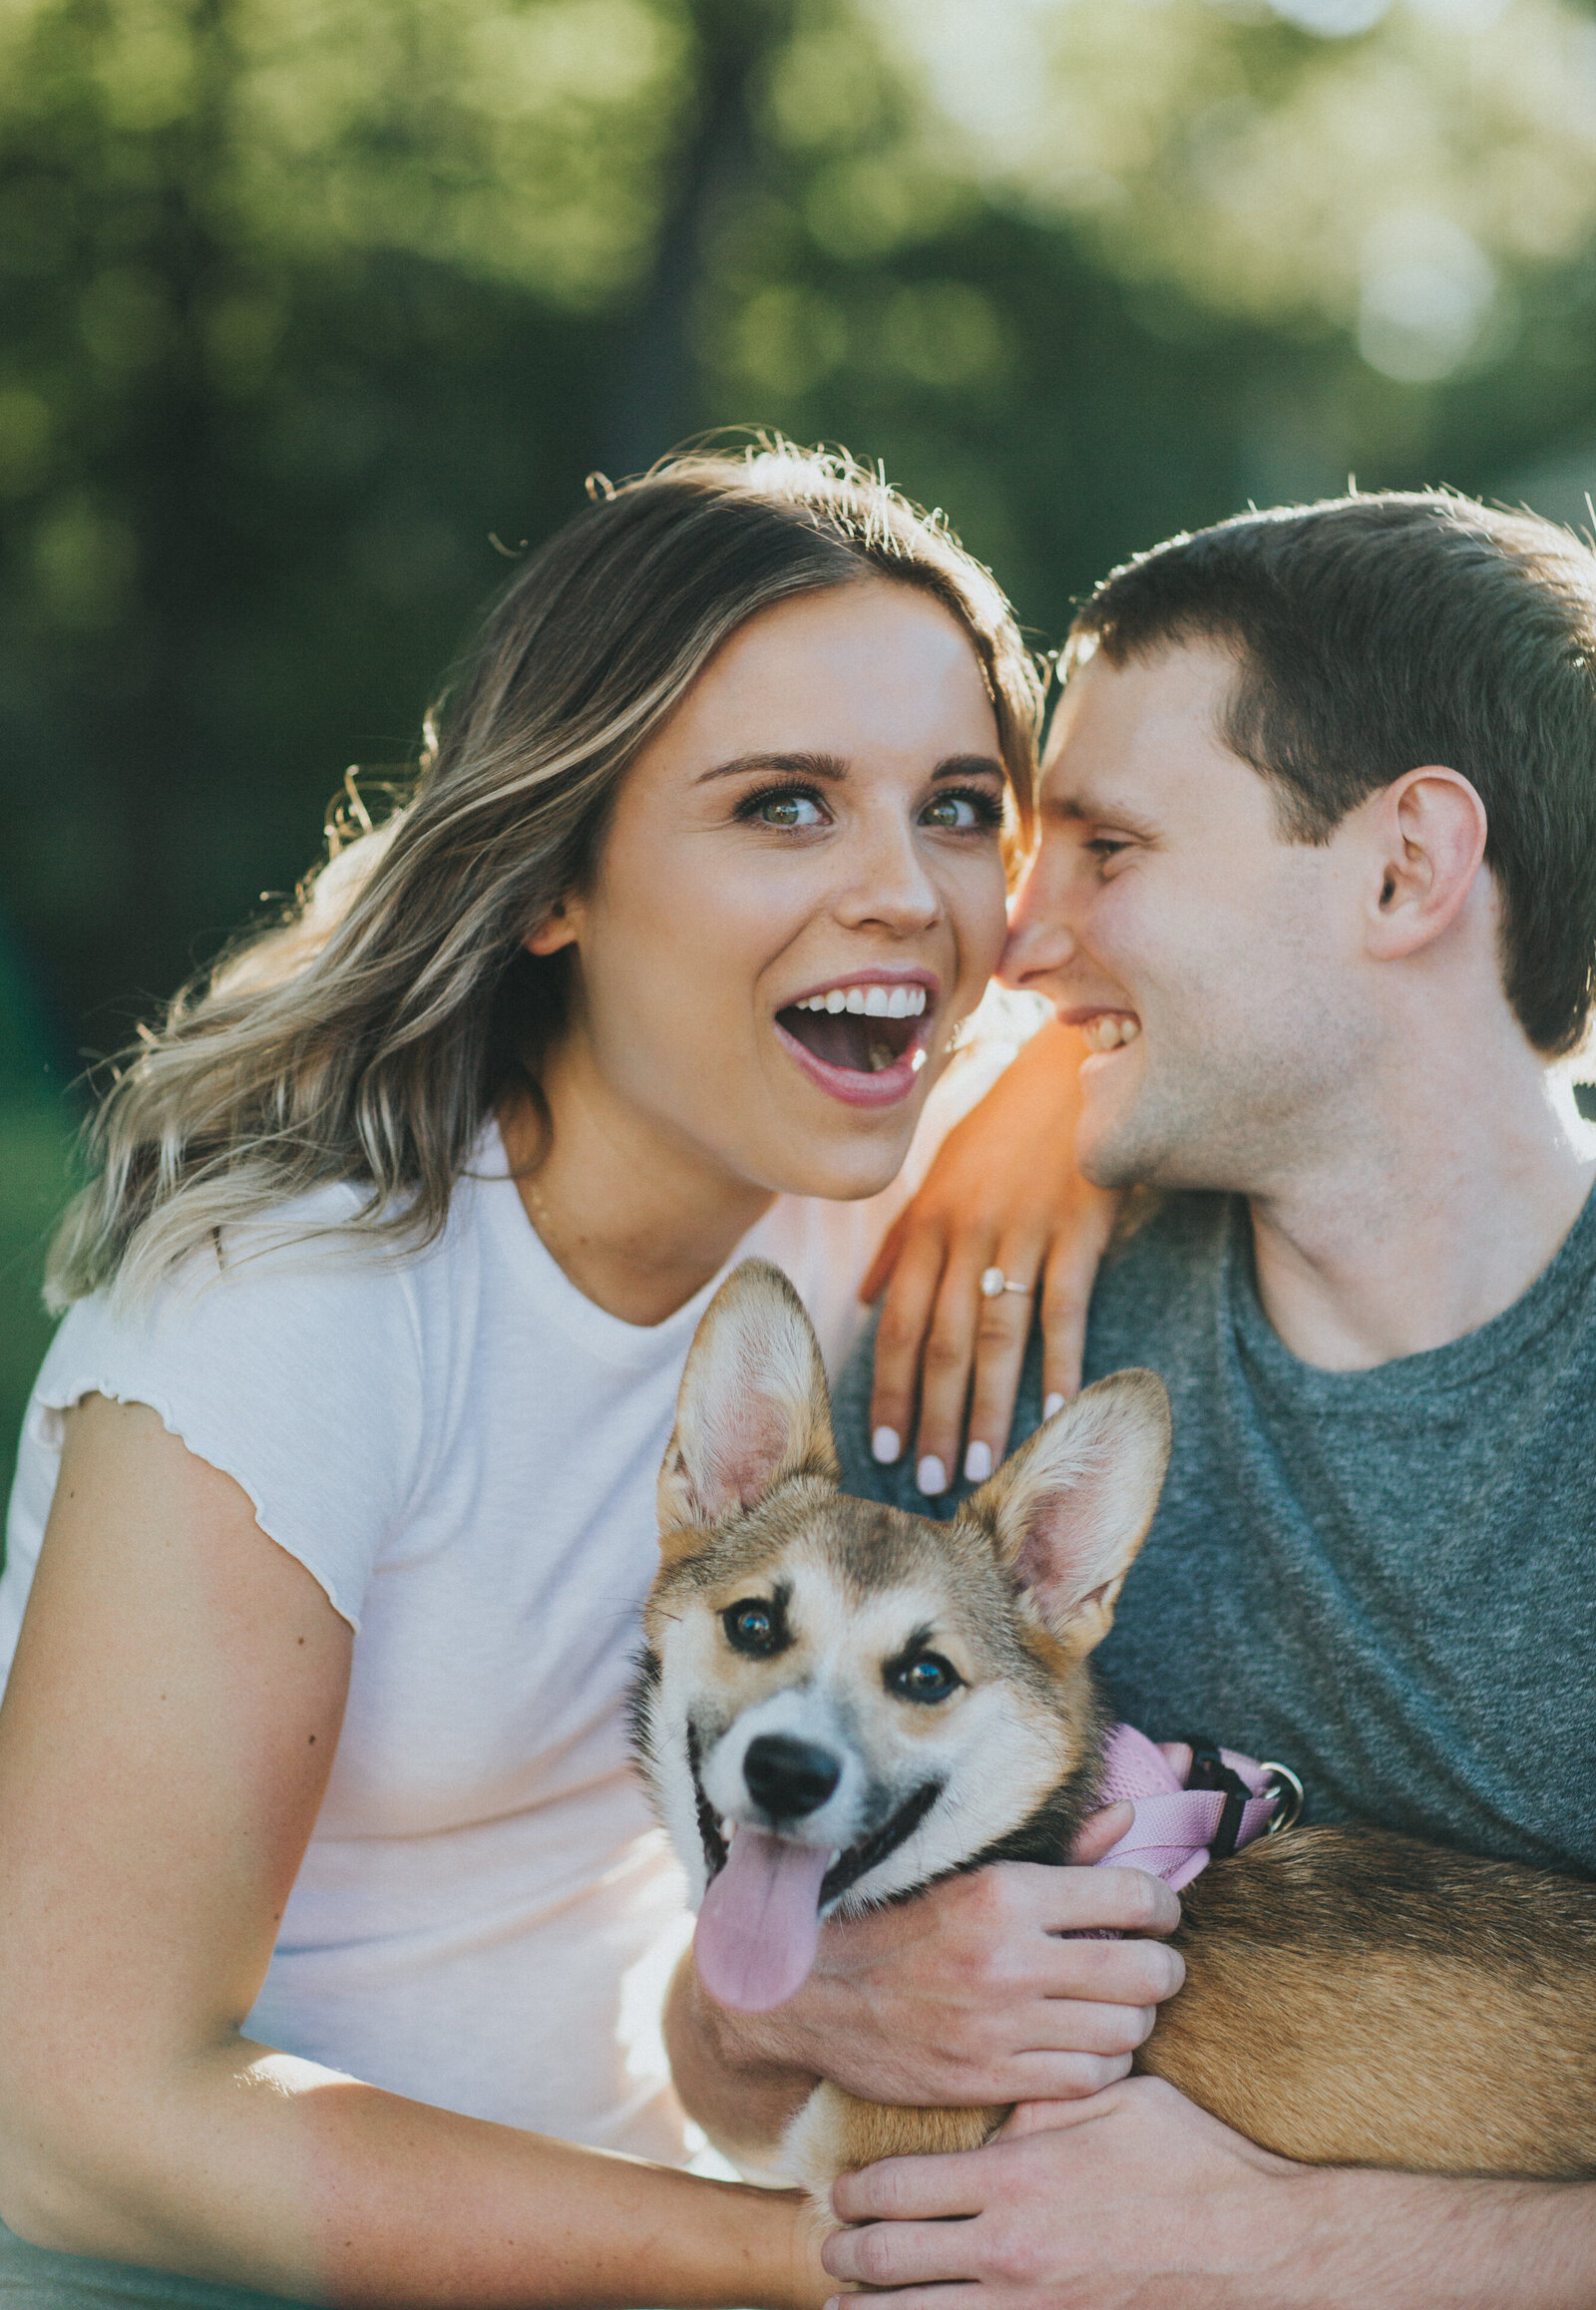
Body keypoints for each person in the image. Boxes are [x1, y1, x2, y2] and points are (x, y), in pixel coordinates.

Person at [0, 445, 1172, 2310]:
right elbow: (72, 2113)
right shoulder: (295, 1311)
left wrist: (1050, 1085)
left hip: (642, 2193)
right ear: (556, 880)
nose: (907, 895)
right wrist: (822, 2265)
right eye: (785, 806)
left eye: (958, 809)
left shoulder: (851, 1166)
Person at [668, 490, 1596, 2307]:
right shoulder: (993, 1332)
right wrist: (826, 1999)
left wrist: (1321, 2248)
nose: (1010, 946)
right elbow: (721, 2064)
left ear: (1406, 868)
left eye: (1107, 846)